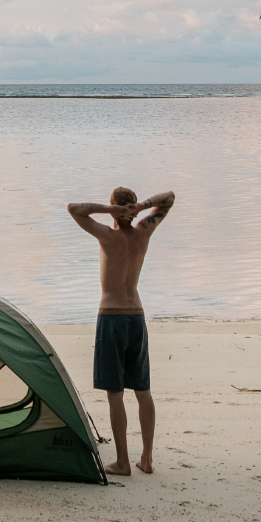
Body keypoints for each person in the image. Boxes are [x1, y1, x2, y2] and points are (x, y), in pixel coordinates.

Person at [66, 185, 175, 476]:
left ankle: (124, 461)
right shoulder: (144, 232)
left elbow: (74, 208)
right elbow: (169, 198)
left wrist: (108, 210)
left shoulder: (107, 235)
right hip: (136, 317)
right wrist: (144, 206)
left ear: (115, 208)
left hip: (112, 317)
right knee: (143, 390)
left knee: (115, 392)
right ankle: (147, 459)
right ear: (133, 206)